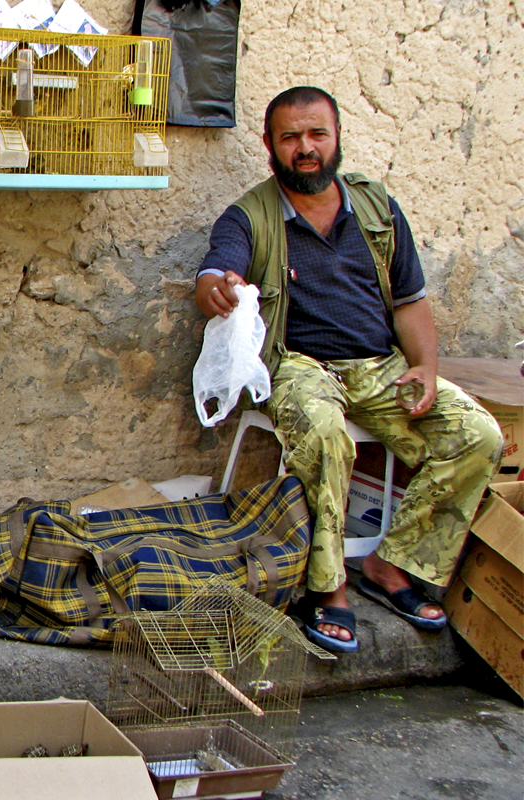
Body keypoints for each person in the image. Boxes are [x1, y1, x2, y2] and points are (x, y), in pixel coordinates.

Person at [194, 86, 504, 654]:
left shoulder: (376, 208)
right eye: (290, 138)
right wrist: (218, 289)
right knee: (326, 436)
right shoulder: (251, 215)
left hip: (381, 368)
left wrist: (427, 369)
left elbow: (410, 302)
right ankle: (327, 588)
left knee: (479, 437)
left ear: (336, 139)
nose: (305, 149)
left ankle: (393, 565)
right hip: (301, 367)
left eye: (317, 135)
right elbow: (217, 270)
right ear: (270, 145)